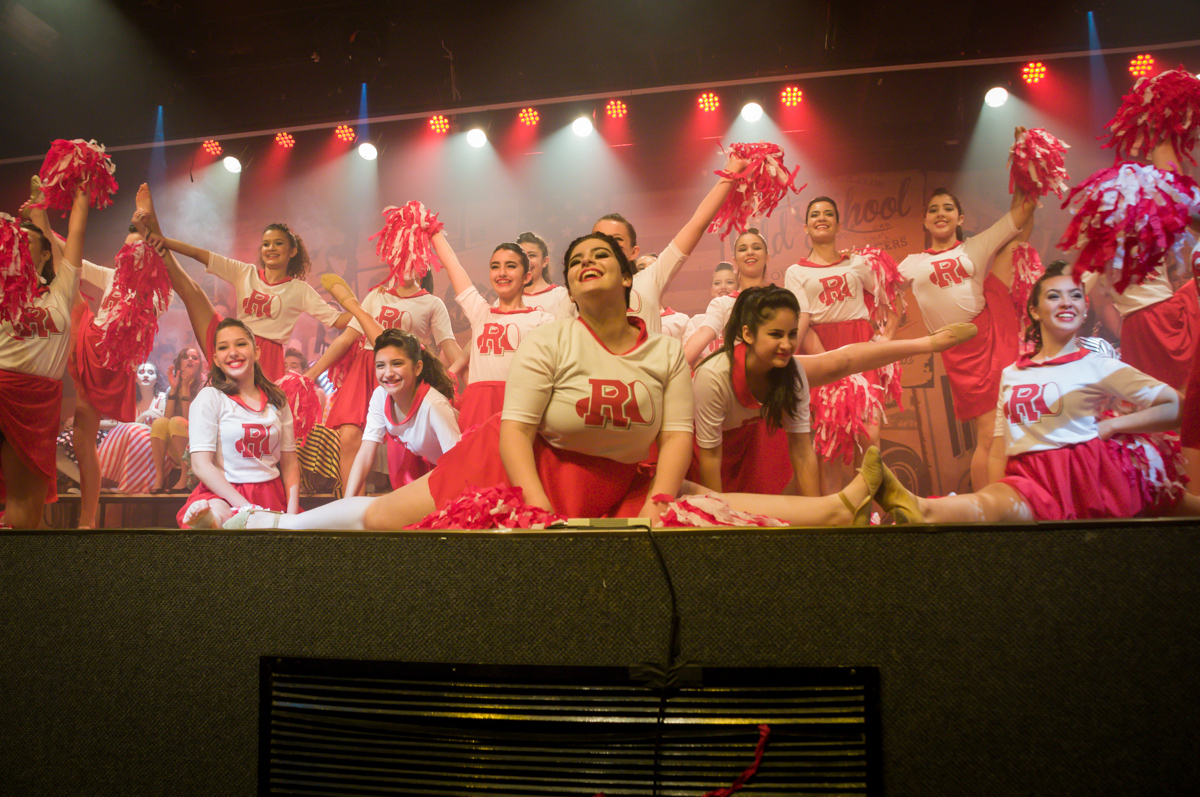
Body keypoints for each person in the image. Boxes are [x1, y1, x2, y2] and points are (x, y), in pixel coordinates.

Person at [866, 263, 1200, 524]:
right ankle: (917, 508)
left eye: (1075, 297)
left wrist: (1112, 428)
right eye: (1054, 296)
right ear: (1036, 311)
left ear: (1085, 310)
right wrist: (999, 502)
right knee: (987, 504)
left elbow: (1175, 406)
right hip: (1030, 478)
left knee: (1176, 506)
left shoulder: (1097, 364)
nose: (1066, 303)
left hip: (1088, 476)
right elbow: (999, 447)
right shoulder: (1012, 374)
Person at [692, 286, 978, 496]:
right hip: (706, 458)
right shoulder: (713, 377)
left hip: (753, 451)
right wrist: (719, 517)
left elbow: (803, 451)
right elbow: (710, 458)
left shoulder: (791, 373)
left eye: (792, 334)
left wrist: (816, 516)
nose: (787, 344)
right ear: (748, 334)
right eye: (776, 335)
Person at [897, 129, 1037, 490]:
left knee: (999, 431)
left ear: (960, 217)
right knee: (987, 433)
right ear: (925, 222)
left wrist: (1024, 159)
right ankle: (987, 509)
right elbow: (877, 289)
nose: (940, 213)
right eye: (933, 210)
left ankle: (998, 503)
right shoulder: (911, 263)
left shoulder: (974, 247)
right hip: (960, 350)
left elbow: (1022, 213)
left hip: (993, 335)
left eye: (947, 208)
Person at [147, 191, 350, 381]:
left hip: (266, 361)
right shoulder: (246, 272)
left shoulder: (299, 289)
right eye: (266, 244)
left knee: (258, 415)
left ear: (293, 251)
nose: (270, 248)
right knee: (192, 291)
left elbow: (338, 321)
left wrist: (363, 311)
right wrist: (166, 242)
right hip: (234, 345)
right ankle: (154, 234)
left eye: (278, 243)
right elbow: (197, 253)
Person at [782, 197, 905, 491]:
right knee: (830, 443)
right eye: (814, 215)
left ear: (838, 224)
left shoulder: (858, 264)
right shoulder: (795, 272)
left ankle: (869, 514)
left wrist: (886, 337)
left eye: (828, 214)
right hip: (822, 351)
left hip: (862, 350)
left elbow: (891, 295)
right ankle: (834, 521)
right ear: (806, 227)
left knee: (870, 437)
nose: (821, 218)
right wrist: (801, 358)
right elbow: (804, 320)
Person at [305, 268, 461, 491]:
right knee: (348, 438)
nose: (407, 265)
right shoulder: (376, 295)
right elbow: (346, 339)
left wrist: (465, 374)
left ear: (424, 263)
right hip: (367, 369)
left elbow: (448, 344)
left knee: (405, 452)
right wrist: (309, 376)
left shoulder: (432, 303)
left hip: (404, 378)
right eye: (401, 259)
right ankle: (350, 510)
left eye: (413, 259)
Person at [69, 222, 172, 528]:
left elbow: (143, 317)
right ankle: (87, 519)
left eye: (136, 250)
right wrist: (44, 229)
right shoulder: (111, 276)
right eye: (125, 248)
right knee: (79, 438)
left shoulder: (156, 295)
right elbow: (74, 261)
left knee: (83, 435)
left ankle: (88, 518)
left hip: (111, 366)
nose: (128, 256)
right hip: (88, 344)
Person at [1, 181, 90, 528]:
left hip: (38, 404)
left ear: (44, 255)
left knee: (26, 503)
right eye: (13, 244)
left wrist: (82, 189)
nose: (19, 249)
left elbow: (77, 230)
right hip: (3, 386)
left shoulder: (61, 289)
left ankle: (18, 579)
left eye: (29, 244)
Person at [593, 151, 748, 334]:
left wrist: (730, 173)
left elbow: (696, 224)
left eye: (617, 239)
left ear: (634, 252)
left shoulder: (649, 279)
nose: (608, 244)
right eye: (601, 238)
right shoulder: (578, 290)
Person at [427, 224, 553, 430]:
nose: (501, 272)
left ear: (527, 277)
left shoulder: (543, 321)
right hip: (477, 410)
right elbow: (453, 265)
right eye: (495, 266)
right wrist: (433, 231)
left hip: (519, 410)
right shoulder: (480, 313)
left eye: (511, 266)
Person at [177, 318, 299, 528]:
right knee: (219, 513)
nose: (232, 352)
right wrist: (248, 509)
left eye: (241, 344)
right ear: (215, 359)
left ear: (256, 352)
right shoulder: (210, 397)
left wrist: (293, 513)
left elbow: (289, 464)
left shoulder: (277, 400)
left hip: (271, 495)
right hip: (223, 494)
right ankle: (212, 520)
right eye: (224, 347)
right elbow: (200, 465)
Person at [342, 329, 461, 496]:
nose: (388, 373)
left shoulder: (434, 406)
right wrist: (347, 502)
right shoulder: (380, 396)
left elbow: (459, 465)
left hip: (458, 474)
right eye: (380, 365)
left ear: (418, 367)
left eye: (397, 363)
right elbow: (365, 453)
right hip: (432, 471)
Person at [684, 228, 773, 366]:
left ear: (767, 257)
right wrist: (673, 369)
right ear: (735, 261)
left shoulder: (779, 299)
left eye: (756, 247)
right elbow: (704, 333)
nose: (750, 252)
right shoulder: (722, 304)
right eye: (743, 249)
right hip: (738, 378)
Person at [149, 346, 203, 492]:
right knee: (160, 422)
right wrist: (174, 389)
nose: (190, 359)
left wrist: (185, 387)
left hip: (197, 445)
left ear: (199, 365)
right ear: (179, 363)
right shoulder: (172, 387)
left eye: (194, 357)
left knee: (177, 421)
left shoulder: (204, 386)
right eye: (185, 357)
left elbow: (188, 422)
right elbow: (165, 423)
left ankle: (186, 477)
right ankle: (160, 477)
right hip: (177, 444)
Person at [517, 231, 573, 318]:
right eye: (521, 256)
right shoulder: (506, 299)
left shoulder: (562, 296)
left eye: (532, 255)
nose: (526, 261)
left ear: (544, 261)